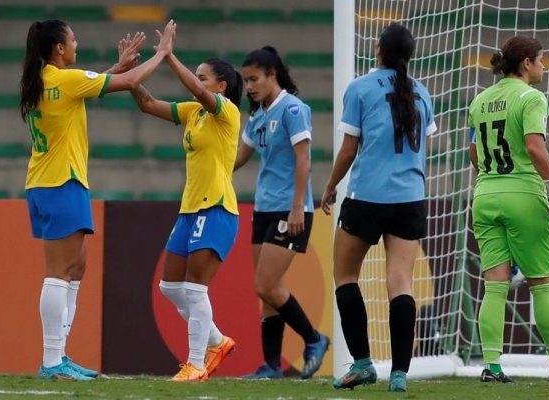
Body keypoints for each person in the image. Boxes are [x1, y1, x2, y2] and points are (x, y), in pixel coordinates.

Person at [20, 19, 174, 380]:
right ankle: (52, 360)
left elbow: (88, 86)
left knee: (76, 268)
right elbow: (133, 83)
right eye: (73, 39)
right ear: (59, 48)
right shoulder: (65, 80)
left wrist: (116, 69)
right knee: (59, 273)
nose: (77, 43)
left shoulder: (45, 80)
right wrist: (163, 54)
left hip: (48, 182)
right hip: (62, 182)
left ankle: (60, 355)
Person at [468, 35, 549, 385]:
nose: (542, 66)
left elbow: (474, 153)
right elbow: (535, 148)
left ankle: (492, 368)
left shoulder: (480, 100)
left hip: (485, 195)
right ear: (526, 63)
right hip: (523, 195)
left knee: (495, 285)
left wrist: (493, 180)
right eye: (540, 60)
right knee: (542, 284)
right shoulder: (531, 97)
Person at [321, 23, 436, 392]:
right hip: (410, 198)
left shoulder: (360, 88)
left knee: (345, 276)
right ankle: (399, 373)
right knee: (401, 283)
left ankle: (364, 364)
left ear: (378, 50)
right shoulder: (422, 92)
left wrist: (329, 186)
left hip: (368, 197)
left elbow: (349, 150)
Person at [128, 25, 243, 382]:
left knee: (194, 289)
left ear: (221, 86)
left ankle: (195, 364)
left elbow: (195, 91)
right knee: (170, 287)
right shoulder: (193, 113)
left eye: (204, 77)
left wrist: (167, 55)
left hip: (218, 208)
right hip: (191, 209)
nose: (198, 82)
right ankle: (216, 341)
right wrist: (130, 74)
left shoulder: (226, 112)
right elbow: (147, 104)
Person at [234, 46, 330, 380]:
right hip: (263, 209)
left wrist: (296, 208)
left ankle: (314, 339)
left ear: (272, 74)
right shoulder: (257, 114)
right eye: (246, 81)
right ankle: (272, 365)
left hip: (290, 210)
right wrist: (210, 167)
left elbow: (304, 159)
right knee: (267, 291)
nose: (249, 86)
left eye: (254, 79)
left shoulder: (292, 109)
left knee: (266, 285)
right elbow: (240, 157)